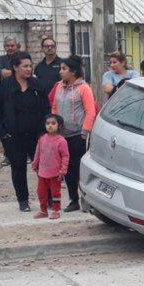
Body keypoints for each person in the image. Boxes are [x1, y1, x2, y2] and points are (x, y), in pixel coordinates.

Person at [0, 52, 50, 212]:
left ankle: (48, 198)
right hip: (13, 137)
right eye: (25, 66)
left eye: (30, 66)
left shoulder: (37, 85)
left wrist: (45, 132)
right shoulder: (3, 86)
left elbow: (46, 109)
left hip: (36, 136)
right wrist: (2, 133)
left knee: (42, 168)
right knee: (18, 168)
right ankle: (23, 200)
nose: (29, 69)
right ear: (15, 67)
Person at [49, 55, 97, 213]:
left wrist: (85, 131)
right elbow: (54, 108)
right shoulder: (58, 86)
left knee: (80, 169)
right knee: (67, 169)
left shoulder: (84, 88)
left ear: (73, 71)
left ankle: (86, 199)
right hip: (63, 136)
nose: (61, 72)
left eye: (64, 69)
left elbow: (90, 112)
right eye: (60, 69)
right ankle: (73, 200)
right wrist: (54, 128)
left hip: (78, 135)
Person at [32, 114, 69, 219]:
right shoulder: (42, 139)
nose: (50, 126)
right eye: (48, 123)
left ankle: (56, 210)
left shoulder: (61, 141)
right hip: (42, 172)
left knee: (55, 193)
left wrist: (63, 170)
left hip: (55, 173)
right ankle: (43, 211)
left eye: (53, 123)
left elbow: (66, 156)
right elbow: (38, 152)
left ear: (59, 126)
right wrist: (35, 163)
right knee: (41, 192)